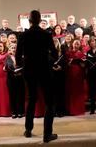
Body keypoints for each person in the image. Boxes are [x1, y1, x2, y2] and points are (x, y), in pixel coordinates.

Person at [16, 10, 58, 143]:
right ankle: (47, 134)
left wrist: (26, 63)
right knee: (49, 102)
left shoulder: (24, 35)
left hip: (29, 71)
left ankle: (28, 130)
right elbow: (55, 55)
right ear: (40, 20)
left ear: (29, 20)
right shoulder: (46, 34)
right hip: (45, 70)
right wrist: (47, 60)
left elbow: (17, 57)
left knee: (31, 99)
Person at [65, 39, 86, 116]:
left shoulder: (82, 54)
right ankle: (70, 110)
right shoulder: (68, 53)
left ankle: (78, 110)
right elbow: (65, 64)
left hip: (79, 74)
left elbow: (84, 65)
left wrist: (81, 62)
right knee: (70, 91)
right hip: (70, 74)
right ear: (72, 44)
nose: (76, 45)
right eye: (75, 43)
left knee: (78, 91)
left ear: (80, 45)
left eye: (78, 44)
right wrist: (70, 62)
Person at [5, 43, 25, 118]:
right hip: (11, 78)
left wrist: (19, 71)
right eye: (12, 48)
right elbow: (7, 67)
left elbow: (24, 66)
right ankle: (14, 112)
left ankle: (20, 112)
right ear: (9, 49)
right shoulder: (7, 57)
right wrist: (14, 71)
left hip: (20, 78)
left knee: (20, 95)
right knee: (12, 96)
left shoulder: (21, 57)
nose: (14, 49)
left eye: (15, 47)